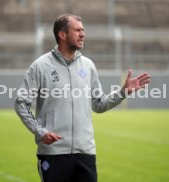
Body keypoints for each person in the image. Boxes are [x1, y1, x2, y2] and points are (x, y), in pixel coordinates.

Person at [15, 14, 150, 182]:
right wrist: (40, 132)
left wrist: (123, 92)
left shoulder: (88, 65)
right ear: (62, 35)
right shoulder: (40, 66)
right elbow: (21, 103)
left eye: (83, 30)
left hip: (85, 154)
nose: (83, 34)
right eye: (77, 30)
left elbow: (99, 104)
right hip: (54, 153)